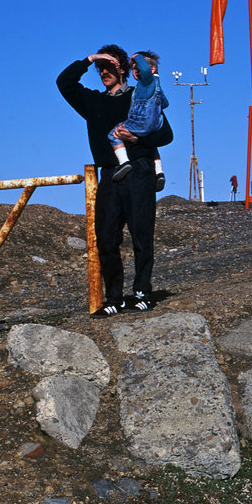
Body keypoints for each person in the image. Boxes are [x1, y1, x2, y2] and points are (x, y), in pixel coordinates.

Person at [57, 45, 174, 316]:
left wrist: (138, 139)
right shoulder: (93, 102)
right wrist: (90, 59)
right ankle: (115, 299)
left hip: (140, 170)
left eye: (109, 66)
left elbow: (166, 135)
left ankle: (143, 293)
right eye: (100, 68)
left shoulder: (139, 96)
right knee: (106, 239)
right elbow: (64, 83)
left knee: (141, 235)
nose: (103, 72)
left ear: (123, 69)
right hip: (109, 174)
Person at [109, 51, 167, 192]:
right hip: (156, 123)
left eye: (137, 67)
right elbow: (165, 103)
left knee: (114, 133)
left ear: (151, 69)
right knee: (152, 145)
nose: (135, 71)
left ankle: (124, 163)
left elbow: (145, 69)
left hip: (141, 122)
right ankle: (159, 172)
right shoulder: (157, 84)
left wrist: (135, 57)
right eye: (133, 68)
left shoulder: (146, 82)